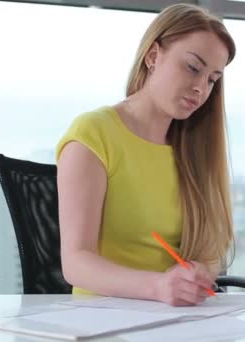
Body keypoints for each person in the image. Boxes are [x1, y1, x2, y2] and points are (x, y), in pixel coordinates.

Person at [55, 4, 235, 306]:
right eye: (193, 67)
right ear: (153, 56)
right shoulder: (94, 133)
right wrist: (158, 286)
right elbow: (75, 263)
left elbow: (210, 251)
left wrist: (200, 272)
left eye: (212, 79)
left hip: (174, 320)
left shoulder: (193, 148)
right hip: (101, 318)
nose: (200, 89)